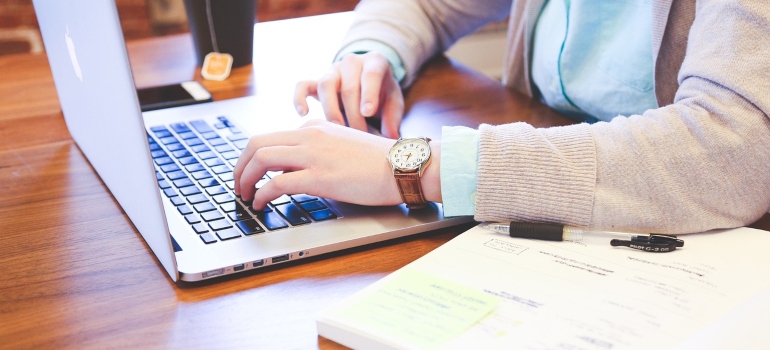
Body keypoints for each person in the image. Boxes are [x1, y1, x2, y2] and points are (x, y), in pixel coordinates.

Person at [233, 0, 770, 234]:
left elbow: (731, 148)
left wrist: (410, 167)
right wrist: (372, 55)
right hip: (544, 211)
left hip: (690, 235)